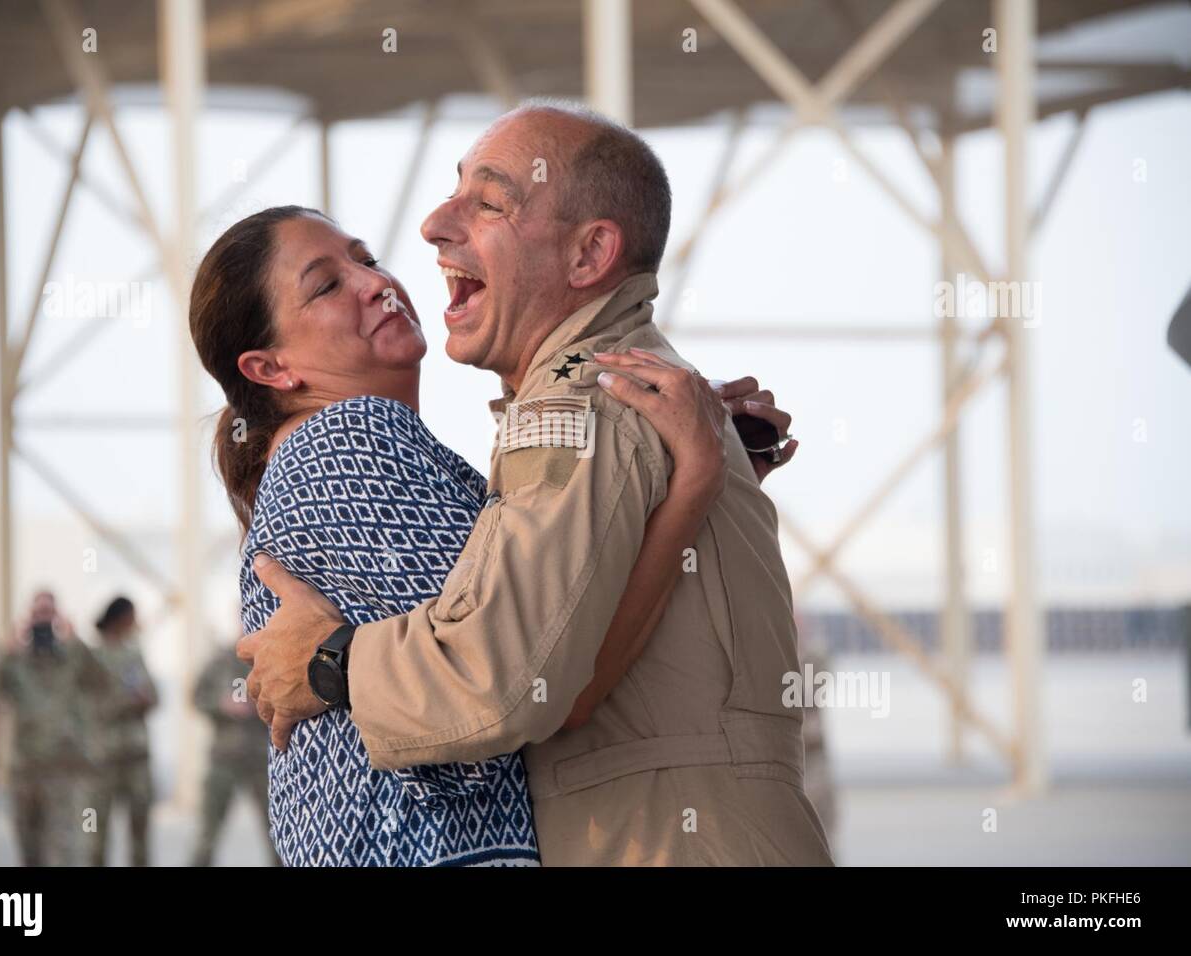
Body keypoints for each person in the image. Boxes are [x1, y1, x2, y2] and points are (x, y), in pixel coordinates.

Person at [240, 100, 833, 865]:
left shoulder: (585, 402)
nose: (430, 226)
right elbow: (564, 676)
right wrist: (689, 491)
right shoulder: (640, 396)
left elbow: (505, 678)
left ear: (589, 257)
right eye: (326, 284)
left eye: (487, 202)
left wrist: (330, 664)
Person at [0, 590, 107, 866]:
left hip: (63, 771)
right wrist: (6, 650)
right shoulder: (16, 661)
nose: (43, 621)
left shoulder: (73, 657)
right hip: (25, 769)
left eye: (49, 613)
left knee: (63, 849)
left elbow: (102, 682)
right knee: (29, 849)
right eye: (37, 614)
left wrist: (77, 641)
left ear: (58, 617)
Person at [190, 635, 277, 866]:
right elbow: (197, 697)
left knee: (276, 830)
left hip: (261, 757)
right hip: (224, 756)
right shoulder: (220, 660)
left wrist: (260, 706)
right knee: (209, 830)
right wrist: (221, 705)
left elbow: (289, 697)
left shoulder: (270, 657)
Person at [88, 596, 157, 867]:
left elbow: (153, 695)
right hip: (104, 756)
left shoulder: (134, 654)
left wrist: (142, 700)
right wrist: (127, 702)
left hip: (136, 755)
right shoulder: (94, 657)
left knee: (140, 828)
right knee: (97, 831)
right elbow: (92, 704)